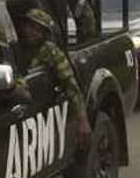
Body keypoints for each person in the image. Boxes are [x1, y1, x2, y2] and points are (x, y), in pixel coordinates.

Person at [14, 8, 92, 149]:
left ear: (44, 35)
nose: (32, 32)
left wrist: (82, 119)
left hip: (36, 109)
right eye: (30, 26)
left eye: (38, 30)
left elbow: (70, 84)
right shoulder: (13, 46)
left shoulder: (50, 51)